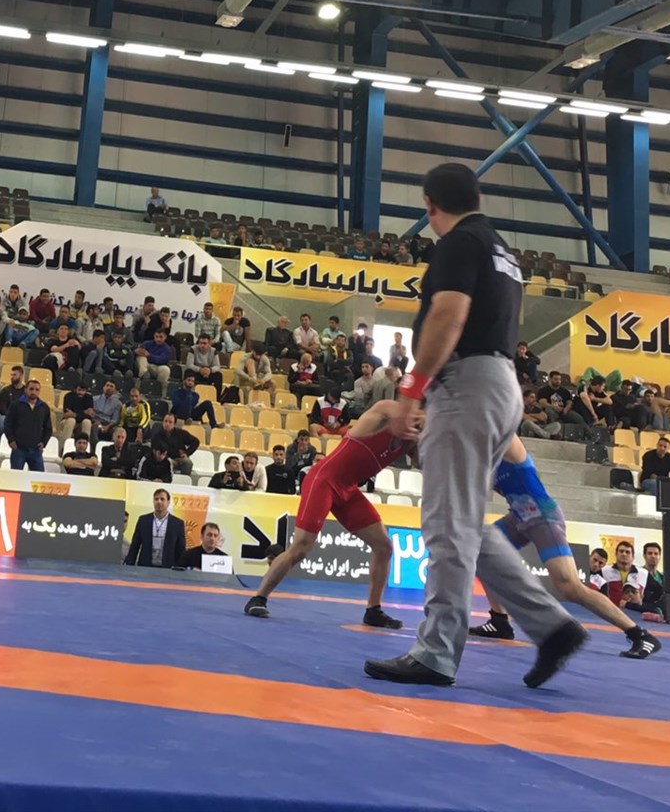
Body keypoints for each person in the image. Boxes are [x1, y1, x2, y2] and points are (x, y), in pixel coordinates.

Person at [365, 163, 584, 690]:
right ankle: (551, 627)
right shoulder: (501, 250)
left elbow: (449, 314)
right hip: (499, 384)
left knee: (446, 522)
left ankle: (436, 652)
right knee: (465, 523)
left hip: (466, 384)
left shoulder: (459, 243)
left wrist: (412, 389)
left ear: (430, 205)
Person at [468, 437, 662, 660]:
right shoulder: (479, 458)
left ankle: (640, 634)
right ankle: (499, 621)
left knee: (569, 586)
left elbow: (499, 424)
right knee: (482, 552)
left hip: (544, 518)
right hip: (519, 517)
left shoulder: (509, 444)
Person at [244, 401, 408, 630]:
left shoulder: (413, 436)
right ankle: (258, 598)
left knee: (384, 546)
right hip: (323, 480)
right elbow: (399, 408)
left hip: (348, 489)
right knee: (301, 546)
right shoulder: (387, 411)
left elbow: (426, 459)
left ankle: (373, 610)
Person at [124, 488, 185, 567]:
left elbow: (180, 549)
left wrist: (180, 568)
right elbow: (135, 545)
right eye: (156, 499)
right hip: (145, 566)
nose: (159, 501)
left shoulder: (177, 523)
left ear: (168, 502)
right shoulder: (143, 520)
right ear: (153, 501)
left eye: (162, 499)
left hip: (168, 568)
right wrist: (129, 565)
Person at [4, 379, 52, 471]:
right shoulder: (15, 405)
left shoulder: (44, 407)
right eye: (31, 389)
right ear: (25, 390)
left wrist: (44, 442)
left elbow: (48, 428)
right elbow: (8, 424)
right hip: (19, 449)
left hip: (36, 451)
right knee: (16, 477)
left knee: (39, 478)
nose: (34, 392)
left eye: (37, 389)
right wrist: (11, 439)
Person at [150, 411, 197, 477]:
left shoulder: (181, 433)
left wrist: (187, 453)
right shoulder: (157, 436)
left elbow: (195, 442)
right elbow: (153, 451)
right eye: (165, 421)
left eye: (170, 422)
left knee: (188, 462)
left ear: (174, 424)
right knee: (167, 462)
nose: (167, 424)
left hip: (179, 458)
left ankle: (184, 480)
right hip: (165, 459)